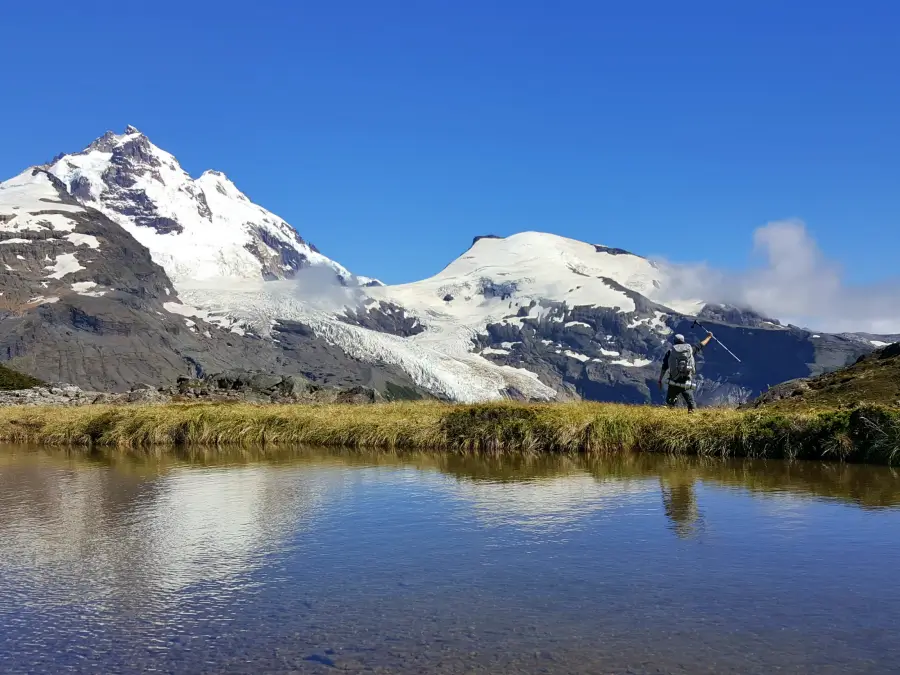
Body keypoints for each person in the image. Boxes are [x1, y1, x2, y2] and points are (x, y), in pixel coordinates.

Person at [658, 332, 713, 411]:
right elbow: (700, 345)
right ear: (683, 341)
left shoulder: (670, 352)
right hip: (686, 381)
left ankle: (669, 417)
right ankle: (692, 416)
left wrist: (660, 380)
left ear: (674, 341)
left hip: (674, 380)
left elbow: (664, 367)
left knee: (670, 402)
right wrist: (709, 337)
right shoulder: (690, 350)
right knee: (691, 403)